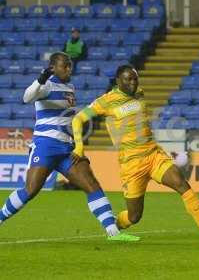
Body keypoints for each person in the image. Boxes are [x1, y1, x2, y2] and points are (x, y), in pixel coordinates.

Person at [71, 64, 199, 243]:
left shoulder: (140, 92)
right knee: (134, 216)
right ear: (118, 81)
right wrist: (79, 146)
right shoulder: (106, 101)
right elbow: (78, 119)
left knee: (181, 183)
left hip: (153, 155)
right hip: (132, 164)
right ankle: (114, 227)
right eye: (128, 79)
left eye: (135, 78)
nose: (133, 83)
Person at [0, 52, 137, 242]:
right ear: (53, 67)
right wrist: (41, 78)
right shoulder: (46, 85)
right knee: (30, 190)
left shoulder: (70, 87)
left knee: (92, 184)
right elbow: (26, 97)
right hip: (46, 145)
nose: (69, 69)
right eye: (65, 66)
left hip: (66, 148)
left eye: (70, 65)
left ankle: (113, 232)